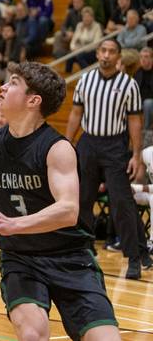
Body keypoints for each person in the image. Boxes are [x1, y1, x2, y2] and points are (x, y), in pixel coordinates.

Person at [0, 62, 122, 341]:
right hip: (21, 260)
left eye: (13, 83)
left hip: (70, 258)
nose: (2, 87)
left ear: (33, 101)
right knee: (32, 335)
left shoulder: (57, 148)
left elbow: (68, 210)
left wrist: (15, 223)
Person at [66, 38, 153, 279]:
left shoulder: (129, 84)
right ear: (96, 53)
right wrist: (66, 143)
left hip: (115, 146)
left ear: (118, 57)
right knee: (82, 199)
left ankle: (134, 257)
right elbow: (75, 113)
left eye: (111, 52)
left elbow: (135, 121)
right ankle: (83, 249)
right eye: (103, 51)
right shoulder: (85, 80)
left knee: (122, 201)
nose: (106, 55)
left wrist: (136, 154)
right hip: (88, 142)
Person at [135, 47, 153, 130]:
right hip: (139, 101)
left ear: (151, 58)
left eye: (146, 57)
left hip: (150, 101)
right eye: (141, 57)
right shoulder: (138, 72)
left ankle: (146, 130)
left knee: (148, 103)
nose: (143, 59)